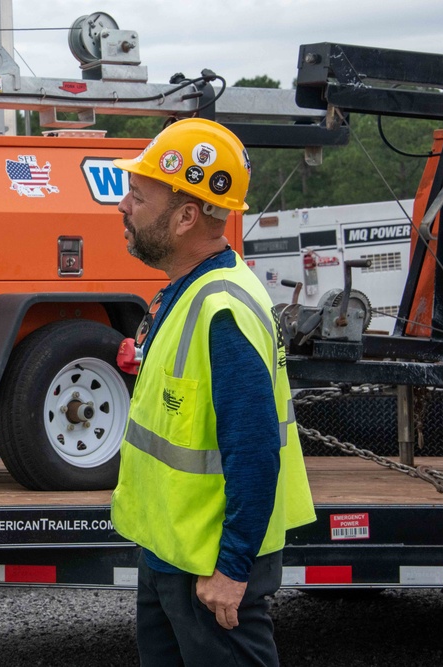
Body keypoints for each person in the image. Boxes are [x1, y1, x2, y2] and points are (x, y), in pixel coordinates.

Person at [109, 118, 316, 666]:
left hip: (210, 571)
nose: (123, 208)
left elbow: (253, 448)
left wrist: (231, 567)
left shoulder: (222, 307)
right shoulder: (188, 291)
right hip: (170, 555)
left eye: (138, 196)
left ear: (185, 216)